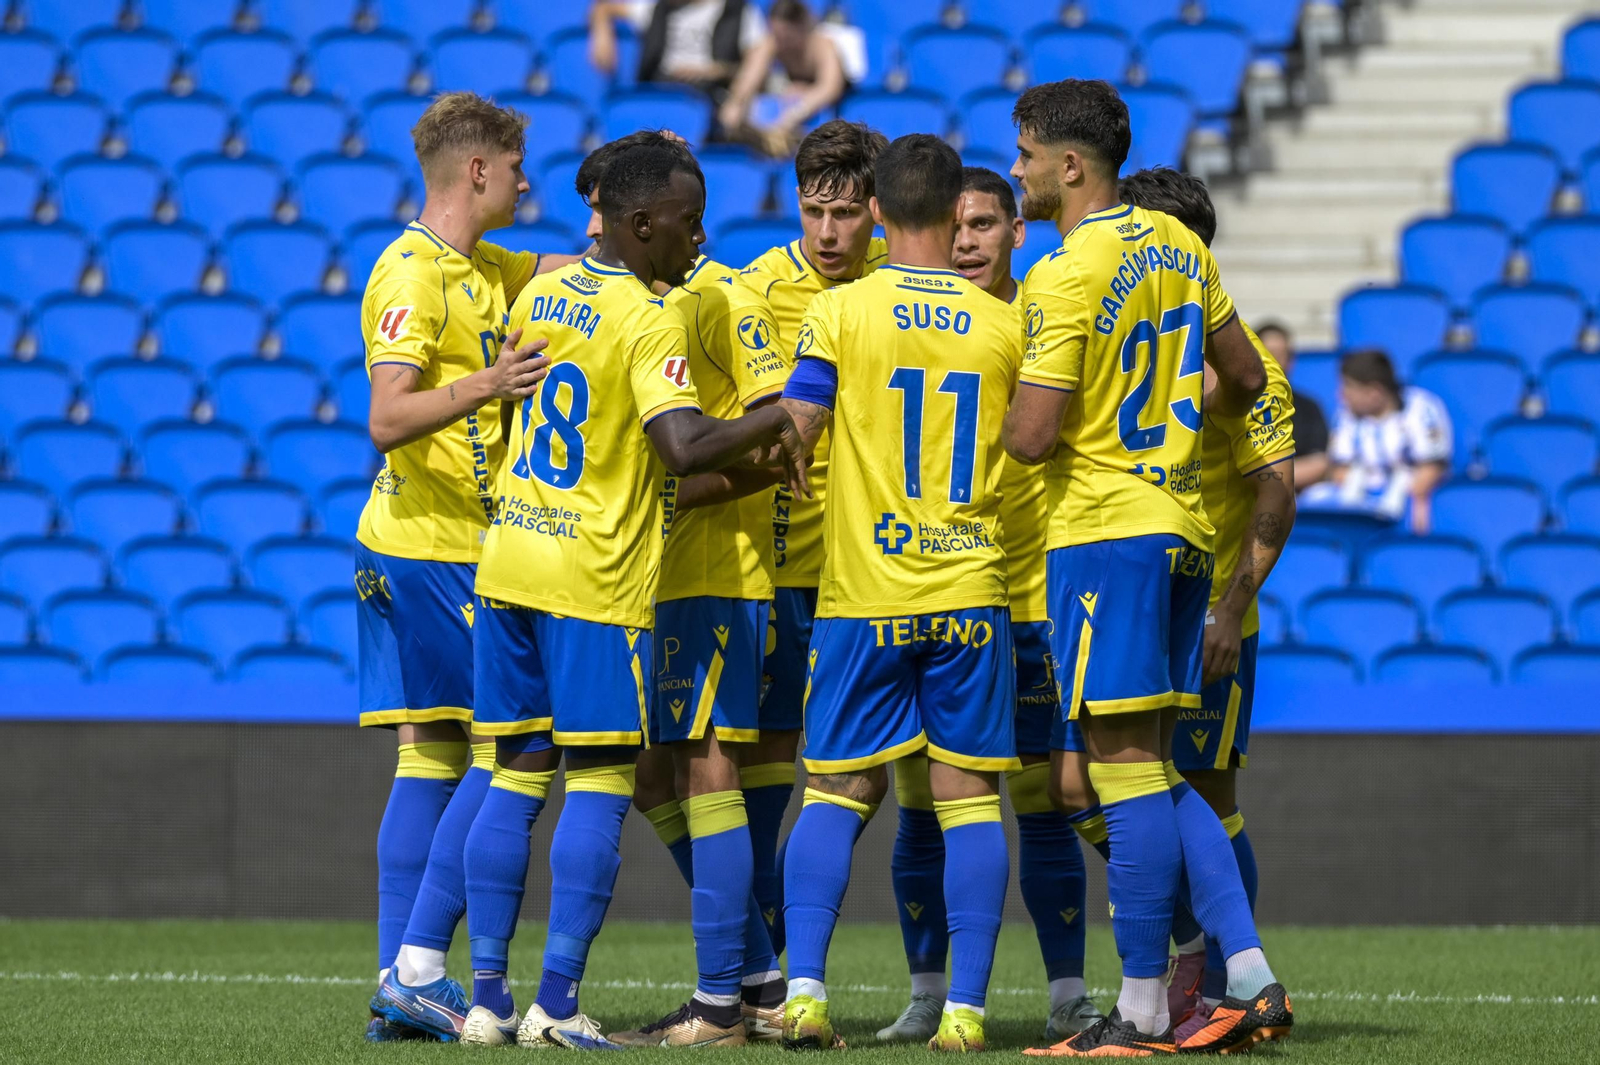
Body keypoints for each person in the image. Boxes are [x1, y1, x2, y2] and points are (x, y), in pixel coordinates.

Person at [455, 142, 807, 1049]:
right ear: (645, 224)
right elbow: (685, 447)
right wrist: (783, 418)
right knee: (608, 781)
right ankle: (560, 1000)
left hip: (509, 565)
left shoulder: (540, 293)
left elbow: (505, 414)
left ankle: (486, 999)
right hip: (595, 581)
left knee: (516, 772)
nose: (701, 235)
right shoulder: (651, 319)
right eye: (690, 219)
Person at [1000, 80, 1292, 1057]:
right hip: (1179, 534)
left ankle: (1137, 1013)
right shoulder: (1183, 248)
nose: (1018, 170)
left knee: (1119, 775)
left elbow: (1035, 439)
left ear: (1069, 166)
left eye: (1026, 153)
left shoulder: (1063, 272)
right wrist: (1162, 405)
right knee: (1159, 770)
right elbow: (1246, 377)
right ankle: (1244, 976)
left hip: (1103, 537)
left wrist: (990, 426)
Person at [776, 133, 1022, 1054]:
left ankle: (803, 995)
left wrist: (794, 456)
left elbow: (798, 419)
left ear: (876, 211)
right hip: (970, 588)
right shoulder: (1005, 324)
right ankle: (964, 1012)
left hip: (864, 593)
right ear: (955, 209)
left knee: (836, 793)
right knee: (966, 804)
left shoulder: (842, 310)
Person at [564, 131, 793, 1048]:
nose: (695, 234)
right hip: (644, 578)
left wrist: (675, 488)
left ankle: (719, 1002)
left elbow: (781, 442)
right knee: (655, 770)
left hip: (711, 571)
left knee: (706, 768)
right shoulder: (622, 302)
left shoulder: (721, 297)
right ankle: (761, 976)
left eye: (701, 218)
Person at [880, 166, 1102, 1047]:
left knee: (1045, 801)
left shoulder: (1037, 327)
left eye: (983, 223)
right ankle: (929, 994)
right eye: (955, 223)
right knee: (923, 804)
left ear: (1018, 231)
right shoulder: (903, 323)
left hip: (1030, 598)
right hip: (930, 596)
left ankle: (1069, 993)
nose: (967, 238)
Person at [358, 91, 560, 1043]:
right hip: (433, 550)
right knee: (513, 741)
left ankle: (399, 980)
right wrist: (491, 383)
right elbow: (388, 418)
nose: (529, 180)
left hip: (422, 545)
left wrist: (636, 181)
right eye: (518, 164)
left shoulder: (481, 265)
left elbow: (572, 267)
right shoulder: (411, 273)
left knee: (431, 752)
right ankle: (421, 965)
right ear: (478, 169)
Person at [1116, 166, 1299, 1043]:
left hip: (1208, 623)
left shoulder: (1244, 365)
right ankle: (1209, 971)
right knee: (1118, 786)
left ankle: (1232, 978)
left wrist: (1230, 607)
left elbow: (1275, 495)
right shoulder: (1138, 353)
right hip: (1136, 604)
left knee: (1204, 798)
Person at [737, 117, 889, 953]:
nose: (828, 233)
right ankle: (769, 961)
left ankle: (787, 958)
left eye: (846, 213)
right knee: (769, 766)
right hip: (785, 566)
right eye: (812, 211)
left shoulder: (902, 286)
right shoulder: (763, 288)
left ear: (876, 208)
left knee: (858, 780)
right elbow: (778, 431)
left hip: (873, 575)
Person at [1308, 349, 1453, 533]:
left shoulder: (1421, 408)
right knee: (1313, 501)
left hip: (1409, 496)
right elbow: (1339, 470)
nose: (1341, 396)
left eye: (1348, 387)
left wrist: (1396, 492)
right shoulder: (1345, 415)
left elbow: (1431, 470)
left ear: (1374, 392)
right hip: (1360, 499)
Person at [718, 0, 848, 157]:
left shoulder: (822, 45)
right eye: (776, 35)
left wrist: (794, 114)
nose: (781, 42)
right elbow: (749, 77)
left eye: (787, 36)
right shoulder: (772, 42)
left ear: (801, 27)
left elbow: (830, 88)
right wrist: (736, 103)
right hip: (786, 111)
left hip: (818, 113)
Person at [590, 0, 766, 94]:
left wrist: (712, 71)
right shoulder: (657, 8)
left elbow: (755, 65)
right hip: (661, 88)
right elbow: (605, 8)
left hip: (711, 93)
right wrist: (602, 35)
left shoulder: (738, 12)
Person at [1255, 323, 1329, 489]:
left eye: (1284, 355)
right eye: (1270, 354)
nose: (1278, 362)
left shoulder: (1310, 407)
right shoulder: (1233, 406)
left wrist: (1265, 478)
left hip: (1299, 499)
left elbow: (1319, 463)